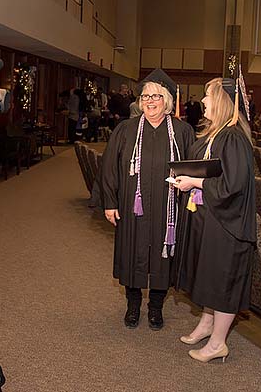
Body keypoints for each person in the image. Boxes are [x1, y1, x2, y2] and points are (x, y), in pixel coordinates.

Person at [101, 69, 195, 331]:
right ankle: (132, 306)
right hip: (133, 208)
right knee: (134, 253)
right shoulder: (125, 130)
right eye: (145, 97)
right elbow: (109, 168)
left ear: (166, 100)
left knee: (163, 257)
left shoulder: (182, 131)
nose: (150, 101)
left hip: (169, 208)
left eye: (156, 96)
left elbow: (193, 169)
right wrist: (110, 202)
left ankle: (156, 307)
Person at [173, 77, 256, 363]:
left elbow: (233, 186)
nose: (204, 100)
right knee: (208, 275)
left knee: (222, 281)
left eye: (209, 95)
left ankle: (219, 342)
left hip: (228, 224)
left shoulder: (233, 137)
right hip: (210, 219)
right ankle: (207, 324)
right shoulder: (214, 133)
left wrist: (194, 183)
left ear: (223, 102)